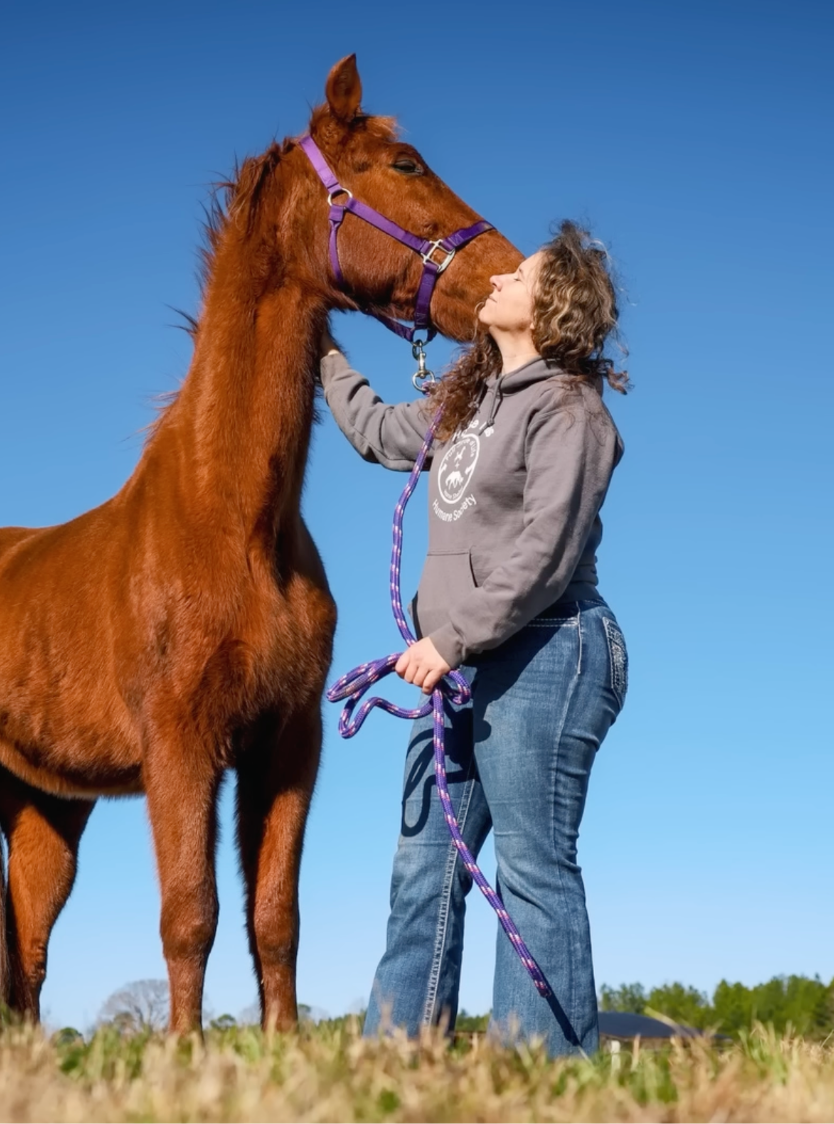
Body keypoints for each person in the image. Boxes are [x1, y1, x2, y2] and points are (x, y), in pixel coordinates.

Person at [319, 221, 629, 1056]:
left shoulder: (571, 409)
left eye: (519, 275)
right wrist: (317, 350)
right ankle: (396, 1069)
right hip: (460, 667)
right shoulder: (465, 406)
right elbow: (379, 430)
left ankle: (541, 1082)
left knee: (531, 871)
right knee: (423, 871)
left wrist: (450, 639)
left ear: (553, 305)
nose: (495, 279)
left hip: (548, 650)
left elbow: (546, 553)